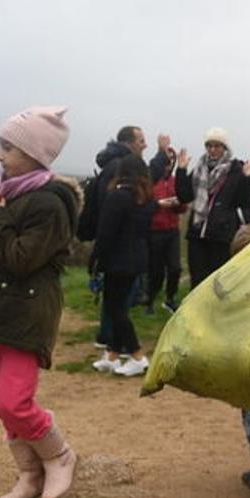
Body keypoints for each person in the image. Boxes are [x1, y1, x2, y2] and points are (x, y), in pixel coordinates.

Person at [0, 106, 82, 498]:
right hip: (4, 310)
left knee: (15, 402)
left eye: (7, 147)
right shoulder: (19, 192)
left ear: (34, 154)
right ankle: (29, 477)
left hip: (28, 312)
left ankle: (59, 454)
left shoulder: (48, 204)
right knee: (1, 405)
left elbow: (20, 258)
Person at [91, 154, 157, 376]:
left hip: (117, 260)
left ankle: (138, 355)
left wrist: (96, 259)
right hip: (137, 258)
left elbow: (106, 232)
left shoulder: (117, 197)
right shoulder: (146, 200)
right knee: (119, 306)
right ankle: (113, 354)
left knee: (115, 309)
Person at [88, 126, 147, 346]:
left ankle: (114, 345)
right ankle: (117, 343)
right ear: (129, 143)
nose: (144, 145)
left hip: (118, 248)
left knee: (115, 300)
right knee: (117, 302)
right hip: (121, 249)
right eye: (141, 140)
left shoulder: (114, 170)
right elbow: (110, 217)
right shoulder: (122, 176)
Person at [183, 127, 250, 288]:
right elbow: (185, 196)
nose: (212, 150)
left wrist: (247, 178)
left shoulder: (235, 169)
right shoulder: (199, 168)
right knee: (197, 279)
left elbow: (244, 202)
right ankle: (196, 312)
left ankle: (216, 311)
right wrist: (181, 170)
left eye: (217, 146)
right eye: (209, 146)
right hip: (197, 233)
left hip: (221, 234)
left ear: (225, 148)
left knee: (218, 279)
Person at [144, 134, 193, 313]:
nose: (169, 163)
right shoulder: (150, 180)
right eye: (167, 159)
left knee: (175, 268)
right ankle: (149, 299)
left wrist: (178, 204)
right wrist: (158, 205)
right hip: (154, 231)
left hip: (172, 230)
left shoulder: (175, 181)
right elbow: (143, 203)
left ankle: (170, 298)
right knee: (155, 270)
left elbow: (184, 205)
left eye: (172, 160)